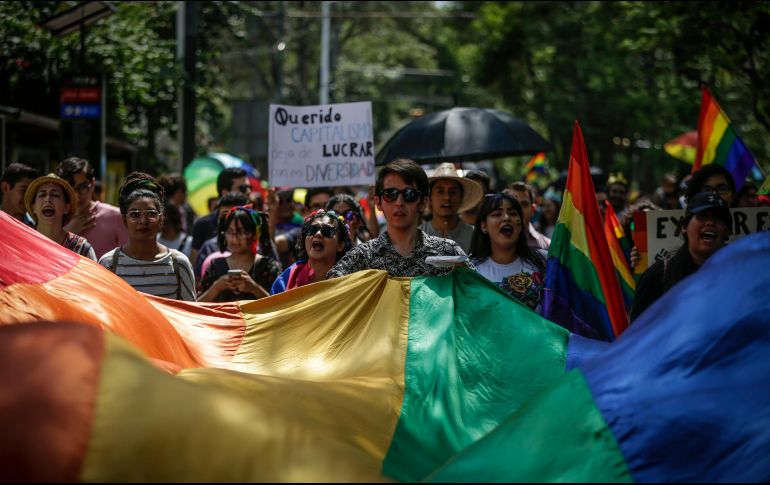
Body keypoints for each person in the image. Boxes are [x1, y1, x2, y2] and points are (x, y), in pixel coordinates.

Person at [327, 158, 471, 278]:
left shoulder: (448, 251)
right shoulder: (362, 256)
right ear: (378, 202)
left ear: (422, 202)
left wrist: (462, 274)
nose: (399, 202)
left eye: (409, 194)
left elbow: (478, 294)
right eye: (390, 194)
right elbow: (331, 293)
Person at [630, 192, 731, 322]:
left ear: (727, 231)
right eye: (702, 216)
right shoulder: (658, 275)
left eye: (718, 218)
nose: (710, 222)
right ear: (684, 227)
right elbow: (638, 332)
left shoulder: (740, 275)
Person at [99, 173, 195, 301]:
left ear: (161, 219)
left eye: (151, 213)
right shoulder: (108, 264)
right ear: (124, 219)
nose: (143, 221)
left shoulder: (179, 264)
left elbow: (189, 313)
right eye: (135, 214)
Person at [469, 193, 547, 313]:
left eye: (513, 214)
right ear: (484, 226)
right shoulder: (471, 271)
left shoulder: (543, 262)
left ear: (520, 224)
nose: (506, 218)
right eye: (497, 214)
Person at [197, 205, 281, 302]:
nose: (234, 238)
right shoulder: (215, 267)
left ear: (255, 234)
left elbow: (280, 306)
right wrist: (216, 287)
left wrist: (254, 288)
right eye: (230, 231)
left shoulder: (269, 267)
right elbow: (197, 306)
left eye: (241, 231)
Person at [56, 157, 128, 259]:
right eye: (70, 189)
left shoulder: (116, 217)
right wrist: (67, 234)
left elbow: (130, 259)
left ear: (93, 184)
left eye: (83, 187)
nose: (77, 195)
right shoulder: (53, 218)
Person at [271, 209, 351, 294]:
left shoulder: (350, 282)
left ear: (340, 245)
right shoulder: (285, 280)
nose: (318, 234)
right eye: (313, 229)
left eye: (327, 231)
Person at [24, 173, 96, 260]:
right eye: (42, 195)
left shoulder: (82, 250)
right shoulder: (20, 243)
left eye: (55, 195)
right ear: (34, 207)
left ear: (66, 207)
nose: (47, 199)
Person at [190, 167, 251, 267]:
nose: (248, 192)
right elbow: (195, 268)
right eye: (243, 188)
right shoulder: (202, 225)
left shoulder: (256, 222)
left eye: (249, 187)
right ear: (225, 192)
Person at [419, 162, 483, 254]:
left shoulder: (474, 235)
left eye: (453, 192)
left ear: (461, 198)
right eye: (440, 191)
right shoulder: (417, 235)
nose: (447, 197)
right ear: (429, 199)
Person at [193, 192, 250, 280]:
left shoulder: (261, 248)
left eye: (233, 216)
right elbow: (197, 283)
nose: (228, 221)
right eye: (224, 215)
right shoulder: (209, 248)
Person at [504, 181, 551, 251]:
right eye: (513, 203)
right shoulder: (492, 245)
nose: (519, 209)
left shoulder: (547, 246)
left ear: (533, 209)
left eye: (524, 204)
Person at [1, 162, 39, 227]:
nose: (29, 197)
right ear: (5, 188)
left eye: (32, 192)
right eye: (24, 190)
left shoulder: (37, 228)